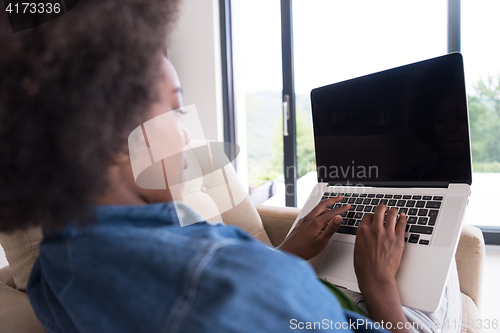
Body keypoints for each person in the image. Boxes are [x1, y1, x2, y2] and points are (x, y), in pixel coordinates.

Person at [0, 1, 460, 332]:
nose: (184, 135)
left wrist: (287, 254)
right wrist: (377, 284)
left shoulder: (56, 266)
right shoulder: (239, 278)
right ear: (114, 141)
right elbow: (231, 292)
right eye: (174, 111)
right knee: (446, 263)